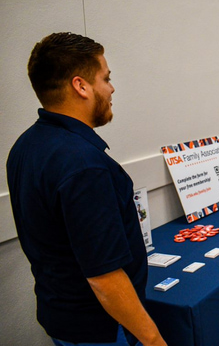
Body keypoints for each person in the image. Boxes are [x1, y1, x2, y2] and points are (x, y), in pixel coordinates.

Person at [6, 33, 167, 346]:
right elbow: (104, 277)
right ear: (80, 86)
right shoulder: (84, 165)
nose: (111, 88)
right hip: (102, 330)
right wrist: (153, 339)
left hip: (61, 320)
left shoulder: (24, 147)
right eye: (105, 78)